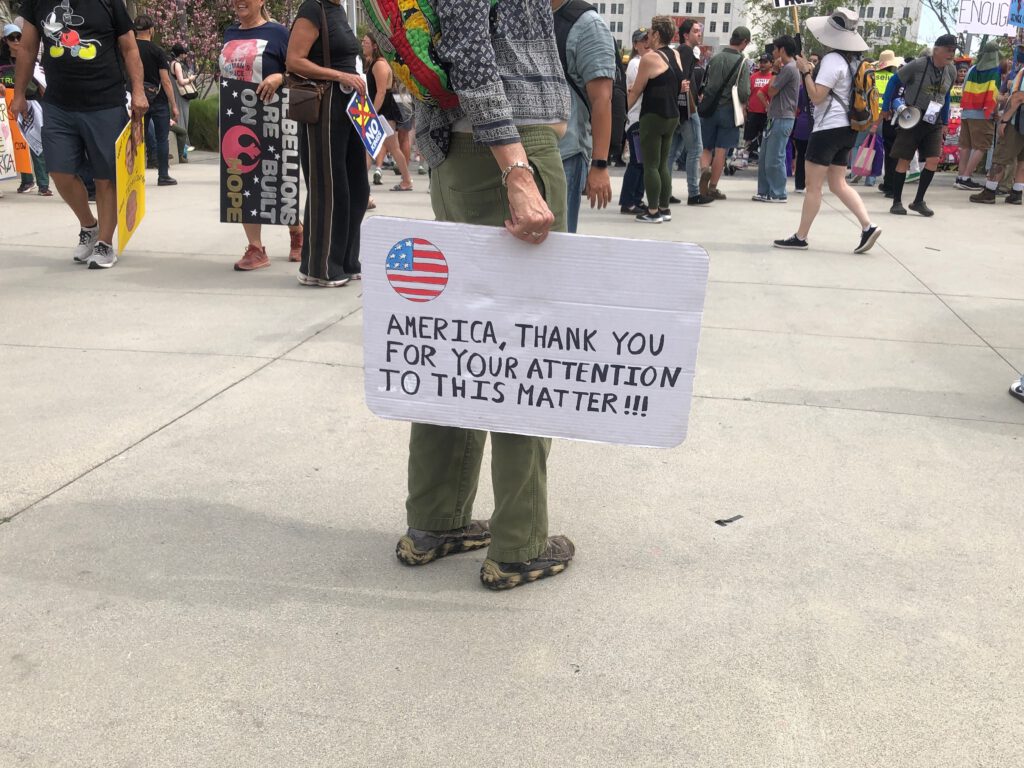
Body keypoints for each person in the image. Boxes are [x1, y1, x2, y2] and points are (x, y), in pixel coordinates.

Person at [385, 0, 574, 590]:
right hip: (503, 152)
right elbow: (471, 51)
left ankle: (436, 521)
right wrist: (517, 168)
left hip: (460, 155)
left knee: (457, 341)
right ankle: (520, 544)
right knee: (523, 348)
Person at [12, 0, 147, 269]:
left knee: (105, 176)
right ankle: (89, 226)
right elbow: (27, 49)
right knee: (59, 170)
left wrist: (139, 90)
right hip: (58, 103)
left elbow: (130, 48)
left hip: (105, 101)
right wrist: (18, 95)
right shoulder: (37, 3)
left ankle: (105, 244)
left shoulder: (109, 3)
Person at [772, 7, 880, 254]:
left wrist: (806, 73)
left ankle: (801, 236)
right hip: (848, 128)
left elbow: (817, 96)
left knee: (813, 186)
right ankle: (868, 226)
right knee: (838, 183)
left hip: (828, 129)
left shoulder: (832, 60)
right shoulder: (855, 61)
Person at [286, 0, 368, 286]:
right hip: (325, 103)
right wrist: (340, 75)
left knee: (357, 185)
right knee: (329, 186)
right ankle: (320, 267)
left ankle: (346, 259)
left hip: (352, 104)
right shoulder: (313, 8)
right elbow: (294, 60)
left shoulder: (339, 11)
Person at [220, 0, 305, 270]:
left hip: (273, 116)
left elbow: (299, 69)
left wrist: (280, 76)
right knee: (241, 180)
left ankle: (296, 231)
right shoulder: (230, 33)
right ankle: (256, 249)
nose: (239, 2)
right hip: (237, 116)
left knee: (278, 177)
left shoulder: (278, 33)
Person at [552, 0, 614, 233]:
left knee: (557, 242)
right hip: (526, 152)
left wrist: (599, 164)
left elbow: (602, 100)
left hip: (565, 154)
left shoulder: (588, 25)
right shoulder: (527, 15)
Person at [881, 34, 957, 217]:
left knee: (933, 159)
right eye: (948, 50)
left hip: (934, 120)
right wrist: (886, 107)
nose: (951, 54)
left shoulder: (951, 71)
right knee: (904, 159)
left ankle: (918, 201)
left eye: (953, 50)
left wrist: (945, 121)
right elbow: (894, 81)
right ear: (936, 49)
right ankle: (897, 202)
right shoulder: (918, 65)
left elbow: (946, 96)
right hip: (912, 116)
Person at [626, 15, 681, 223]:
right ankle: (665, 208)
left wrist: (621, 113)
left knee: (650, 164)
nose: (647, 35)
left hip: (653, 115)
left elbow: (636, 91)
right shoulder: (675, 54)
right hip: (672, 116)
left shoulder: (649, 58)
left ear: (656, 34)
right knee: (662, 165)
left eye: (649, 32)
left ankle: (652, 211)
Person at [698, 26, 751, 202]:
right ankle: (713, 187)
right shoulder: (742, 62)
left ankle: (705, 169)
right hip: (729, 111)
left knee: (706, 146)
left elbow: (706, 84)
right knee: (722, 149)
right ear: (743, 42)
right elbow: (744, 92)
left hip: (709, 109)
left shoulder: (715, 58)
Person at [1, 22, 51, 195]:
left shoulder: (31, 59)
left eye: (18, 37)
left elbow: (41, 83)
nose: (16, 40)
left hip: (31, 103)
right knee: (15, 144)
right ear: (5, 40)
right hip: (6, 107)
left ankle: (43, 184)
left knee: (34, 141)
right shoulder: (2, 62)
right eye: (11, 38)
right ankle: (26, 181)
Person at [362, 34, 413, 192]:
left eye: (366, 42)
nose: (363, 44)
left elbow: (381, 92)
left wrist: (372, 114)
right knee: (373, 148)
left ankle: (406, 181)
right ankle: (362, 182)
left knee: (388, 147)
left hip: (384, 112)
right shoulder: (372, 63)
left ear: (375, 46)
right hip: (380, 111)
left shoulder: (379, 65)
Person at [969, 62, 1024, 206]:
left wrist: (1005, 119)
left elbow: (1019, 97)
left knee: (1001, 157)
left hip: (1017, 122)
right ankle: (1017, 192)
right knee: (1022, 160)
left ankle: (989, 191)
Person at [671, 18, 712, 206]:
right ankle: (694, 193)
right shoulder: (686, 51)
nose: (699, 33)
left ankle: (665, 191)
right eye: (696, 31)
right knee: (695, 149)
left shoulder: (681, 51)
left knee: (672, 152)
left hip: (680, 109)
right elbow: (683, 81)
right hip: (688, 109)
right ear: (686, 35)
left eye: (699, 30)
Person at [134, 15, 179, 187]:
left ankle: (135, 176)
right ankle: (163, 175)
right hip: (158, 100)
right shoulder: (157, 50)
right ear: (151, 29)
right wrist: (173, 105)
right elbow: (166, 81)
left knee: (137, 138)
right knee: (162, 139)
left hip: (136, 98)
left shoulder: (128, 49)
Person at [753, 35, 799, 203]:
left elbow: (771, 90)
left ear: (782, 50)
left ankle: (778, 192)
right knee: (765, 155)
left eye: (775, 49)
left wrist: (775, 71)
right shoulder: (788, 67)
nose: (773, 53)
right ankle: (764, 190)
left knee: (775, 157)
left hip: (782, 117)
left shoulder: (789, 68)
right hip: (775, 117)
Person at [954, 41, 1001, 191]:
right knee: (982, 147)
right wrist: (994, 112)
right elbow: (994, 94)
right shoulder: (995, 71)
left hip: (967, 112)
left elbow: (964, 89)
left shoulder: (972, 69)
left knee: (965, 146)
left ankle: (961, 177)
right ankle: (967, 177)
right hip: (982, 114)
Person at [618, 27, 649, 214]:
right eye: (642, 40)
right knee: (637, 161)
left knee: (643, 162)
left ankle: (637, 198)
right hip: (636, 118)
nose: (646, 43)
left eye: (648, 39)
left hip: (642, 118)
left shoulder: (645, 62)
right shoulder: (636, 64)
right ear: (636, 45)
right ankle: (628, 201)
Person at [872, 49, 902, 196]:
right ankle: (891, 183)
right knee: (894, 152)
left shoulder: (874, 76)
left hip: (875, 116)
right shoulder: (896, 78)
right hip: (893, 118)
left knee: (885, 152)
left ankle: (886, 182)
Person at [169, 43, 196, 164]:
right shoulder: (178, 65)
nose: (185, 55)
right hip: (181, 96)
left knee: (179, 120)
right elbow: (181, 81)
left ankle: (181, 151)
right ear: (181, 53)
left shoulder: (171, 64)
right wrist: (190, 79)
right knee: (183, 120)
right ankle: (182, 152)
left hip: (175, 94)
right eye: (184, 53)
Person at [745, 54, 773, 159]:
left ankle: (763, 158)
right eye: (761, 62)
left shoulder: (773, 77)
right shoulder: (752, 77)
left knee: (765, 137)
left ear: (771, 63)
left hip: (767, 113)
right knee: (749, 136)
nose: (762, 64)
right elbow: (747, 93)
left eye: (765, 62)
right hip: (752, 112)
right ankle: (745, 157)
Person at [791, 80, 812, 193]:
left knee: (801, 156)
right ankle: (812, 185)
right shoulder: (823, 88)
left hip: (802, 124)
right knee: (814, 159)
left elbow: (797, 107)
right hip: (816, 125)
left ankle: (799, 185)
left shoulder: (802, 89)